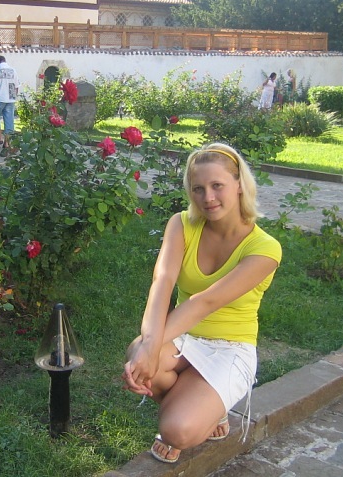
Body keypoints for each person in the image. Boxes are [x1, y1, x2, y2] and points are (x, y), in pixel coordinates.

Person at [122, 143, 281, 464]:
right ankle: (201, 406)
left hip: (231, 347)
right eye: (198, 189)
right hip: (184, 336)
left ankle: (203, 411)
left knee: (177, 431)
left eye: (217, 185)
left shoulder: (265, 248)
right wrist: (149, 346)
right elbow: (162, 282)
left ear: (239, 185)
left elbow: (205, 302)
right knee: (137, 352)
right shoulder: (181, 224)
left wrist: (152, 347)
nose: (207, 197)